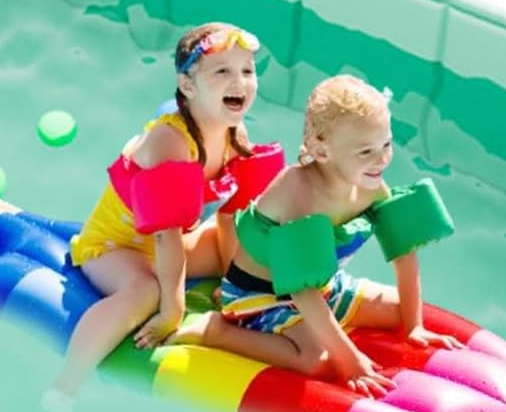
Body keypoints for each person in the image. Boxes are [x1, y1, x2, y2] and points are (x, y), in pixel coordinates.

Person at [41, 23, 284, 412]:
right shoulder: (171, 142)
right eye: (222, 71)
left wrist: (234, 281)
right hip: (115, 247)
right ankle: (65, 385)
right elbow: (165, 235)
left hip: (171, 245)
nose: (239, 81)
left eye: (247, 71)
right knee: (145, 292)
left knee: (254, 254)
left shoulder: (234, 134)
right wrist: (172, 310)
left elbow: (230, 216)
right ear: (188, 85)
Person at [168, 74, 461, 393]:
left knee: (400, 312)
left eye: (386, 144)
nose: (381, 159)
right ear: (322, 150)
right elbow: (301, 289)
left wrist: (414, 325)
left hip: (323, 287)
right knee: (317, 361)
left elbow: (404, 252)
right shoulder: (299, 193)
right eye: (365, 152)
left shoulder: (371, 186)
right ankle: (216, 332)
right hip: (261, 295)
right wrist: (351, 361)